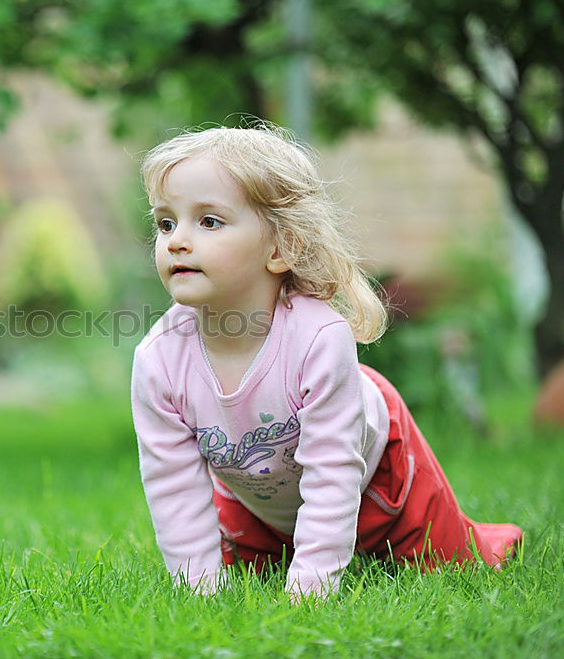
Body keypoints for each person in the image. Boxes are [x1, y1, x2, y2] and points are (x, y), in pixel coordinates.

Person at [130, 124, 523, 601]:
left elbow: (333, 470)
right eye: (166, 223)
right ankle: (286, 546)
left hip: (377, 466)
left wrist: (311, 591)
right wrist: (197, 592)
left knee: (448, 564)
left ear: (282, 248)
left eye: (209, 221)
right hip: (257, 494)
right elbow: (173, 484)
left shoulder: (317, 338)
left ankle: (490, 539)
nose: (177, 241)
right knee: (249, 579)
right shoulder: (159, 359)